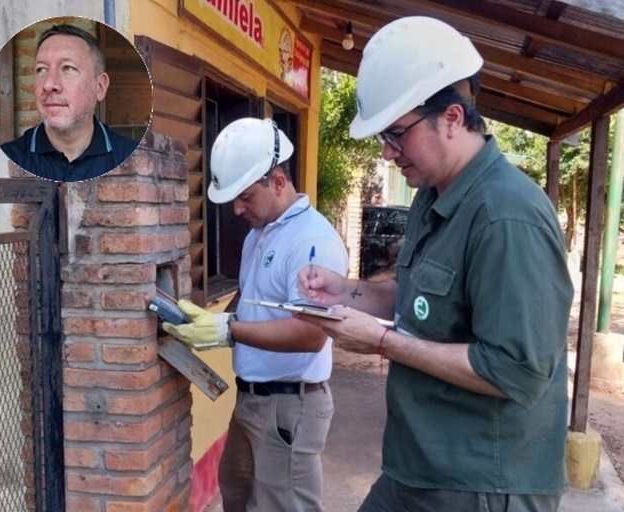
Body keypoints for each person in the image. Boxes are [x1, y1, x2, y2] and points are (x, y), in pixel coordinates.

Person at [297, 16, 574, 512]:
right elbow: (421, 298)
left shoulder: (507, 215)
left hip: (481, 483)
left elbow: (516, 372)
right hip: (419, 469)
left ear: (451, 117)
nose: (388, 152)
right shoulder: (434, 194)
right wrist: (346, 292)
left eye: (397, 134)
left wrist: (381, 342)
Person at [163, 117, 348, 511]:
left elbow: (312, 334)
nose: (237, 208)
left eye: (245, 196)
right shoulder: (259, 234)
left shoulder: (312, 241)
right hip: (251, 399)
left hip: (289, 406)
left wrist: (228, 330)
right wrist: (204, 320)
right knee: (238, 495)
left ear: (277, 182)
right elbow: (251, 298)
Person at [0, 24, 139, 182]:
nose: (48, 85)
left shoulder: (132, 157)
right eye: (41, 69)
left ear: (100, 87)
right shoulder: (6, 159)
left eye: (68, 68)